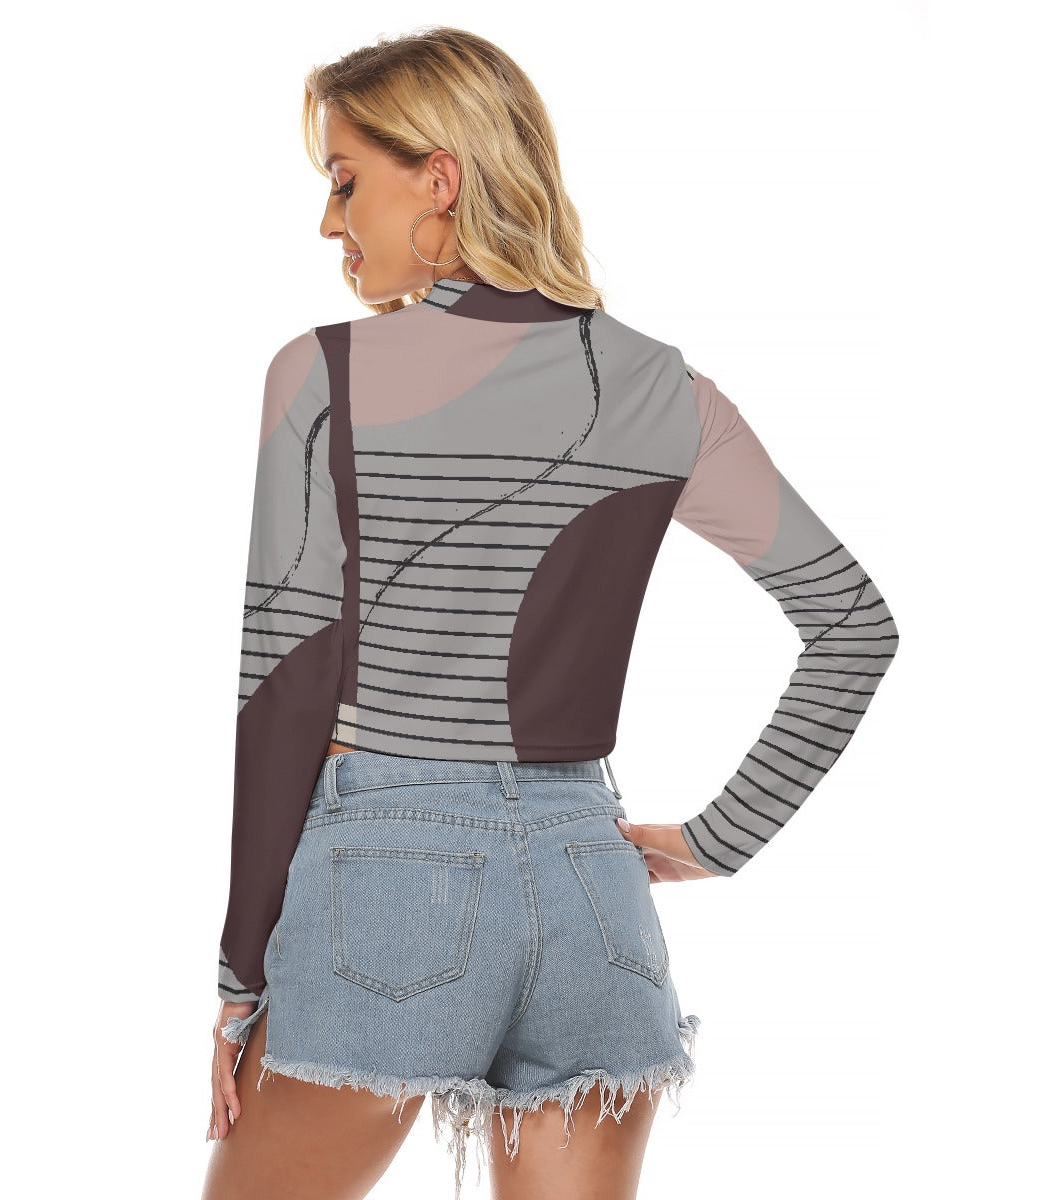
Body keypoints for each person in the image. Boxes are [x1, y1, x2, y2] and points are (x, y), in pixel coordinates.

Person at [201, 25, 899, 1200]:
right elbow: (854, 624)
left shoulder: (326, 377)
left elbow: (286, 681)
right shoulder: (662, 386)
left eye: (345, 181)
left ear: (440, 176)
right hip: (592, 891)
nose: (329, 222)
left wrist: (239, 977)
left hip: (386, 883)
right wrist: (714, 842)